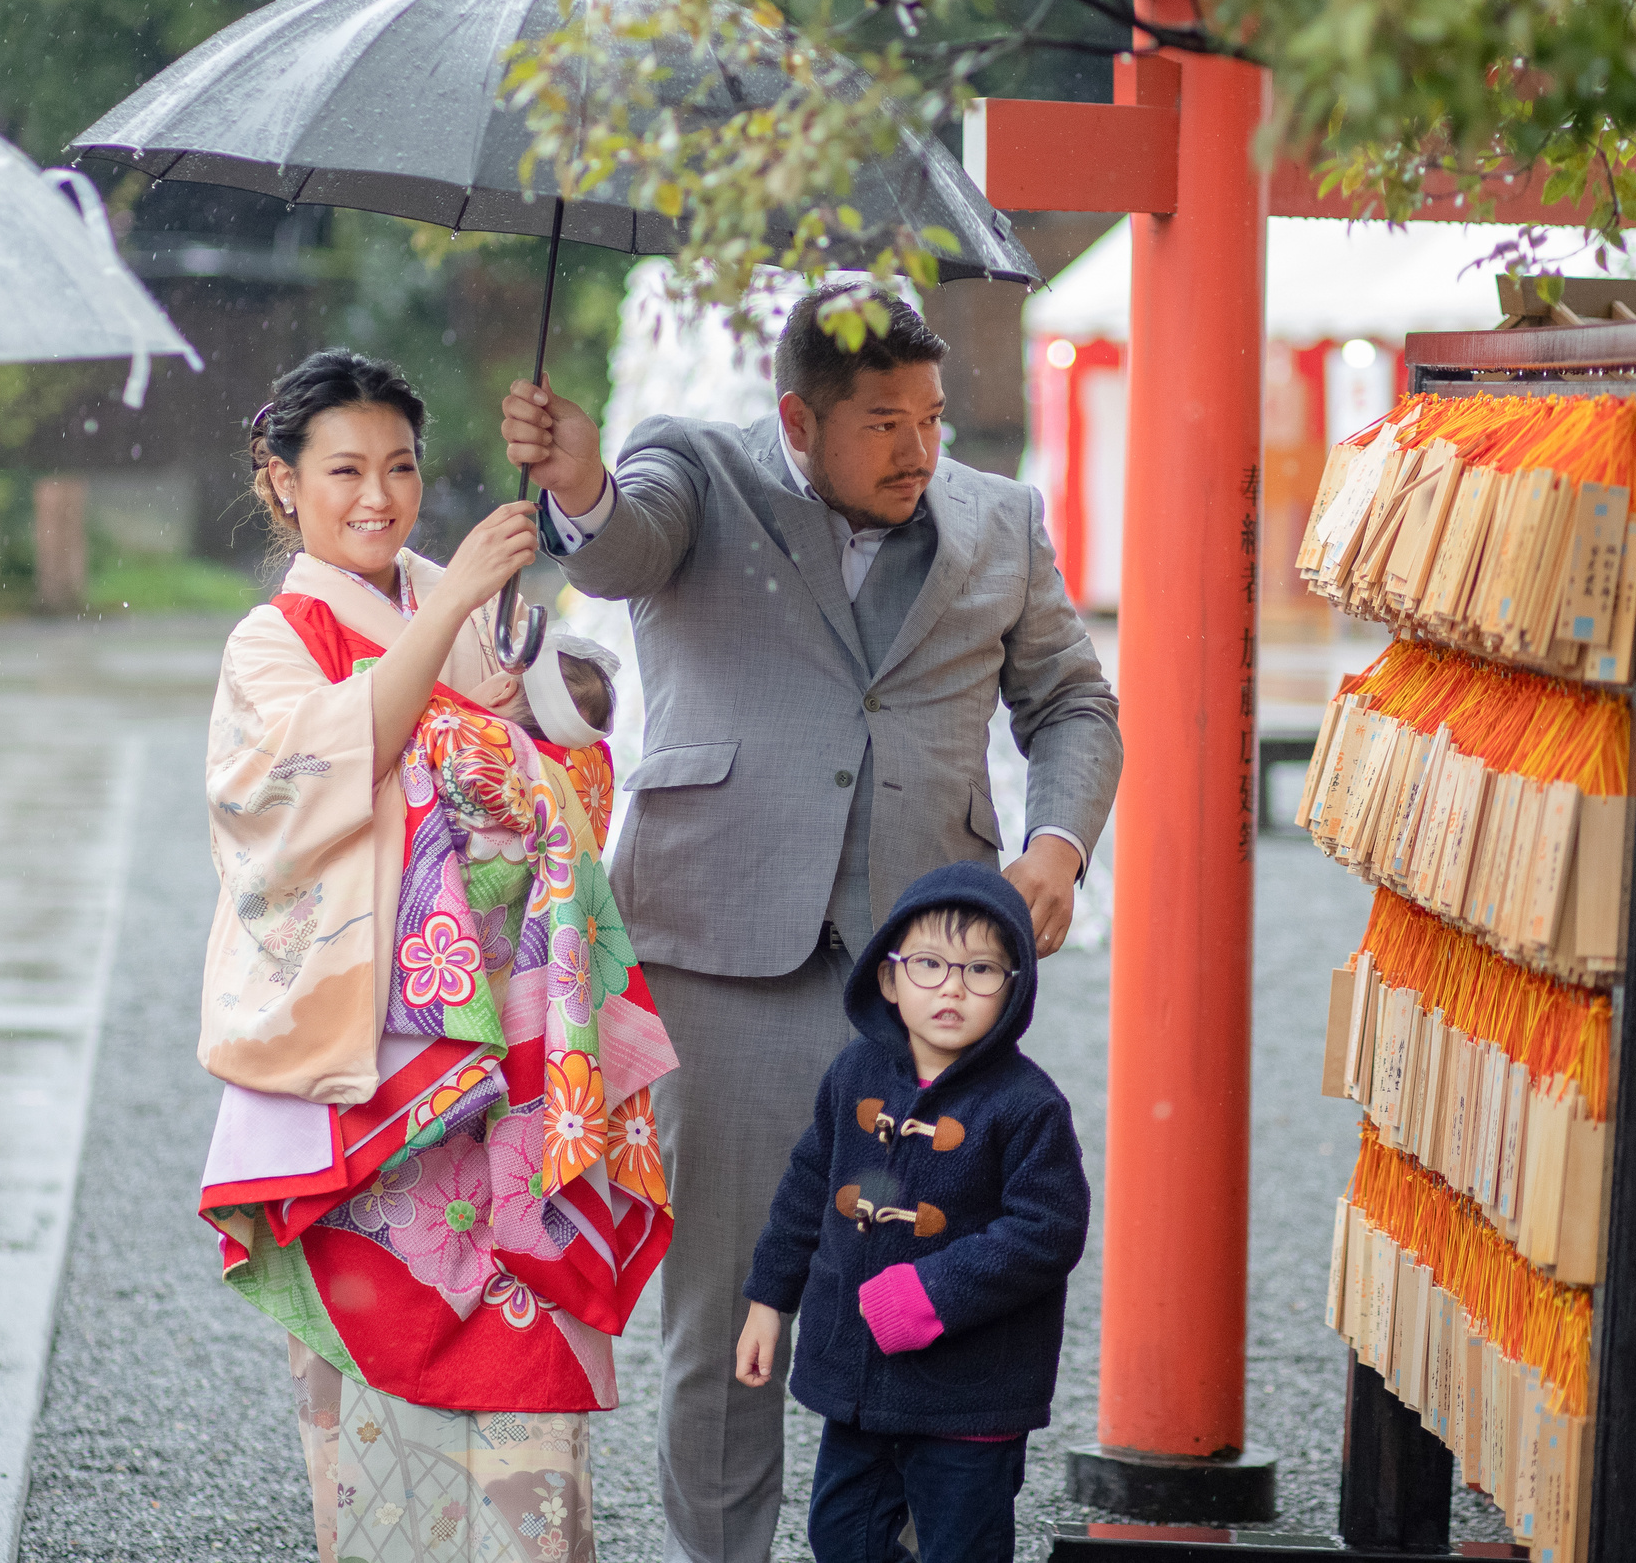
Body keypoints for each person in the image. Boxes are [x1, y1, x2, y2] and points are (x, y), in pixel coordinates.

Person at [500, 285, 1123, 1563]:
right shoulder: (695, 468)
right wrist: (578, 486)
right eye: (884, 422)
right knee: (729, 1310)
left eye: (933, 418)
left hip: (930, 991)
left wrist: (1057, 845)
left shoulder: (998, 519)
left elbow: (1071, 700)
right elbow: (620, 546)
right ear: (798, 416)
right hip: (724, 961)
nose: (918, 448)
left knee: (916, 1298)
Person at [196, 348, 677, 1563]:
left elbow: (556, 743)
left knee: (528, 1320)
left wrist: (537, 688)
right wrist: (459, 620)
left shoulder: (448, 598)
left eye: (401, 466)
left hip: (510, 1047)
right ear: (282, 485)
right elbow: (331, 765)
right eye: (344, 469)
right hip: (376, 1068)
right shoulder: (274, 639)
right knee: (379, 1356)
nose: (378, 495)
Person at [736, 862, 1086, 1563]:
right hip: (859, 1381)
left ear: (1015, 988)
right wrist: (769, 1300)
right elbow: (809, 1187)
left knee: (963, 1546)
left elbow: (1047, 1229)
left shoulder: (1026, 1104)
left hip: (971, 1392)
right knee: (842, 1535)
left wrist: (928, 1293)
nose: (952, 985)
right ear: (889, 978)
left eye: (981, 969)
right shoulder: (854, 1075)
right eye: (928, 963)